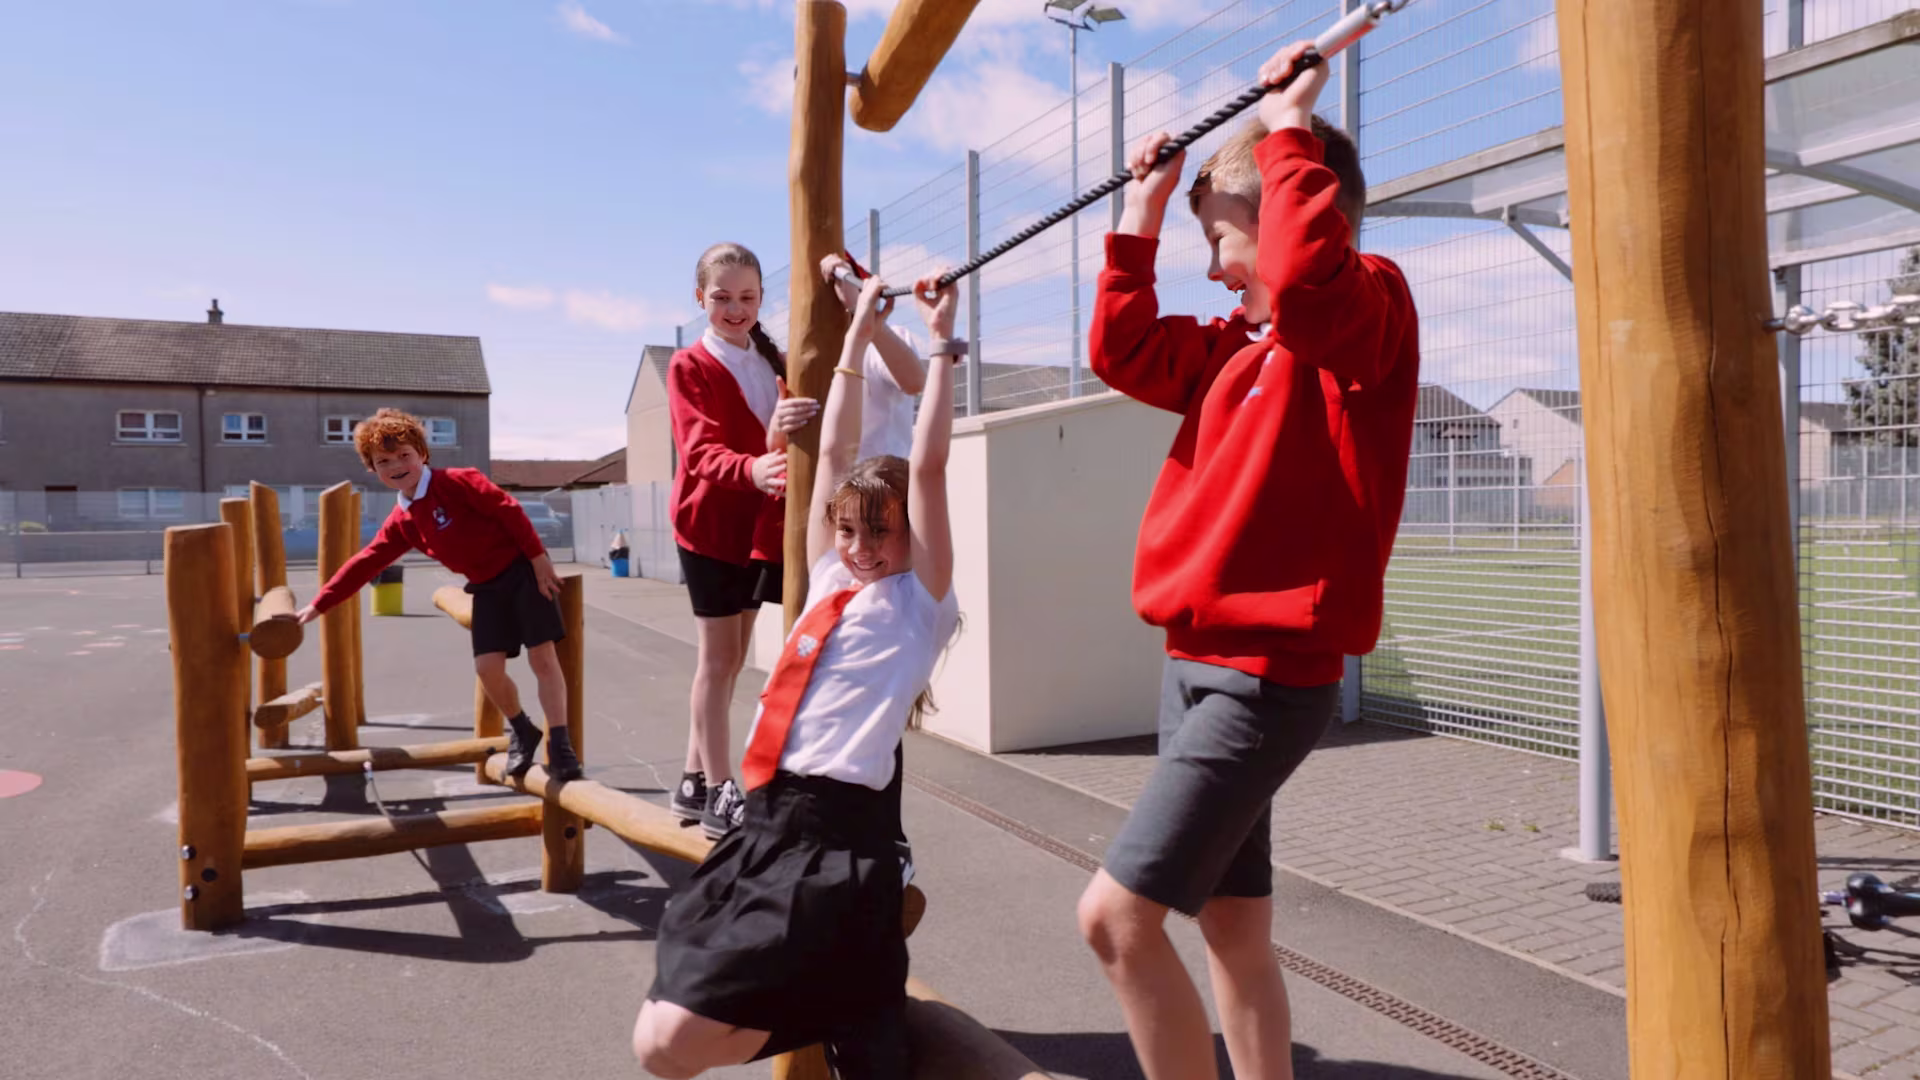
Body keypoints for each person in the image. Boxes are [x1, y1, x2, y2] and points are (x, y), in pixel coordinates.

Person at [1075, 41, 1421, 1080]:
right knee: (1233, 931)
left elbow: (1316, 285)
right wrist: (1146, 208)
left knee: (1112, 921)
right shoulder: (1233, 348)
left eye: (1228, 243)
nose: (1218, 267)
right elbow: (1122, 350)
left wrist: (1289, 128)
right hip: (1193, 664)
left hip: (1267, 681)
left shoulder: (1368, 315)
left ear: (1291, 216)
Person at [632, 272, 963, 1080]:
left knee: (673, 1044)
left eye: (879, 534)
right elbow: (838, 453)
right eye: (848, 529)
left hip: (835, 833)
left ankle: (852, 994)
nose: (858, 546)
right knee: (657, 1039)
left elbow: (924, 470)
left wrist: (943, 341)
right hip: (763, 820)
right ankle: (850, 997)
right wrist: (854, 332)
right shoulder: (828, 579)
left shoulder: (918, 604)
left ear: (911, 538)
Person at [294, 408, 580, 781]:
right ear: (374, 471)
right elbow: (366, 562)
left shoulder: (457, 481)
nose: (397, 465)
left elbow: (508, 510)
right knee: (487, 669)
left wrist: (539, 559)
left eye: (404, 456)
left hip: (523, 574)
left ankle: (559, 742)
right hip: (487, 588)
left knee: (542, 659)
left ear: (422, 454)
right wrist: (318, 604)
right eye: (384, 461)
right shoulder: (403, 521)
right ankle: (523, 729)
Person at [667, 242, 818, 840]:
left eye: (748, 297)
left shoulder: (772, 357)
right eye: (722, 297)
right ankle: (721, 792)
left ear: (761, 299)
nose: (735, 308)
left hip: (756, 531)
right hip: (707, 528)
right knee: (718, 660)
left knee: (733, 663)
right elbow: (700, 450)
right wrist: (753, 467)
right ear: (700, 298)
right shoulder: (689, 366)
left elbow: (782, 438)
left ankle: (692, 778)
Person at [819, 250, 930, 887]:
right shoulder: (815, 345)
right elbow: (827, 441)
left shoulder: (890, 334)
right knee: (840, 682)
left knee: (885, 683)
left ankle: (886, 835)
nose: (842, 290)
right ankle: (856, 836)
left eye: (851, 277)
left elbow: (914, 380)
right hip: (843, 516)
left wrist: (870, 318)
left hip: (891, 511)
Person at [818, 252, 927, 460]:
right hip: (837, 484)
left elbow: (915, 382)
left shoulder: (883, 340)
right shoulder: (807, 356)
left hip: (884, 484)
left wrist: (863, 313)